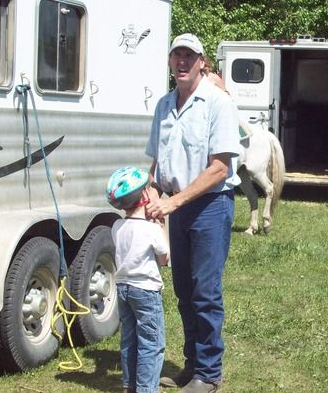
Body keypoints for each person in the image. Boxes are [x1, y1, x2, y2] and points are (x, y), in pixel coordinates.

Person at [145, 33, 241, 393]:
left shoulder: (217, 102)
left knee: (205, 291)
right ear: (170, 62)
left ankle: (210, 373)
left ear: (203, 62)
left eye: (190, 56)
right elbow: (157, 162)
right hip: (180, 206)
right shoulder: (164, 105)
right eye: (177, 55)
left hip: (210, 206)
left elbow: (219, 168)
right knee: (184, 291)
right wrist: (148, 193)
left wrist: (173, 203)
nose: (182, 61)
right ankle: (193, 365)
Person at [106, 166, 169, 393]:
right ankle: (146, 389)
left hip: (123, 288)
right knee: (151, 343)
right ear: (143, 196)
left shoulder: (117, 226)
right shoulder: (151, 230)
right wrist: (161, 226)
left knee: (130, 338)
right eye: (148, 188)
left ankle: (129, 385)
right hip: (146, 291)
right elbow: (164, 258)